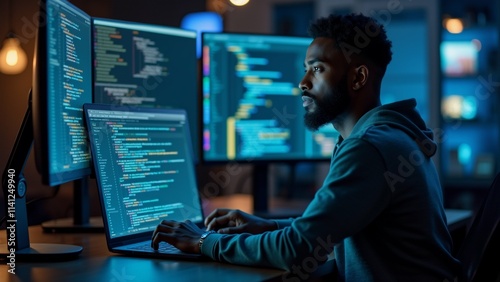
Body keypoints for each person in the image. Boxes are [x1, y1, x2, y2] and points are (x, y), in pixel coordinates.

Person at [152, 13, 461, 281]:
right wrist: (270, 225)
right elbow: (331, 225)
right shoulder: (390, 137)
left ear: (358, 77)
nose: (302, 82)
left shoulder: (370, 148)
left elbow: (297, 249)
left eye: (317, 68)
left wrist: (204, 241)